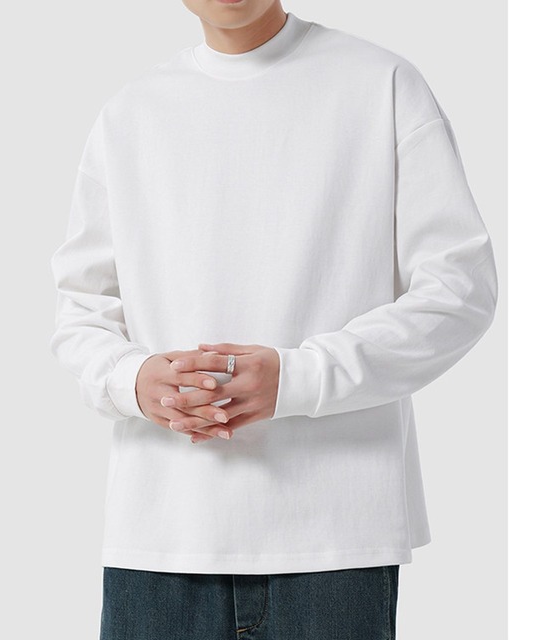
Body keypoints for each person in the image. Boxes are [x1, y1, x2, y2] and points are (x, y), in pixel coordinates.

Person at [49, 1, 498, 638]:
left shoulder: (383, 85)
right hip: (163, 534)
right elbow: (79, 309)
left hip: (334, 538)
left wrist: (299, 378)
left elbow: (460, 290)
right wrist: (133, 379)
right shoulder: (130, 115)